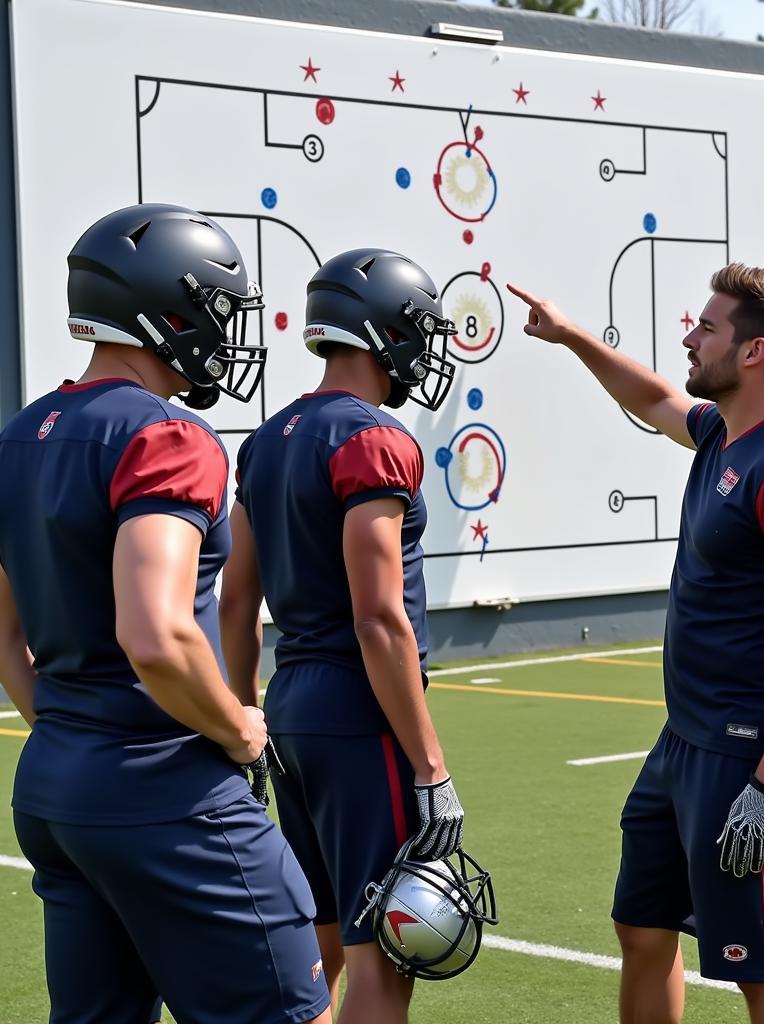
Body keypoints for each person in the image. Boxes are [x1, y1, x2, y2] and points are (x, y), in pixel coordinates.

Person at [0, 204, 332, 1024]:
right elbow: (155, 632)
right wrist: (236, 725)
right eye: (218, 309)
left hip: (54, 788)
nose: (226, 331)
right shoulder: (166, 436)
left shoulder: (19, 435)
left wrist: (69, 725)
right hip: (167, 791)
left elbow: (5, 635)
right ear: (168, 310)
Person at [508, 265, 764, 1024]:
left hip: (746, 755)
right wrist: (570, 337)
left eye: (707, 327)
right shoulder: (723, 435)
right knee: (641, 924)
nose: (690, 338)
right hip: (685, 741)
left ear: (755, 352)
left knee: (762, 968)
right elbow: (655, 396)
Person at [219, 247, 463, 1024]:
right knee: (386, 957)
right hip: (360, 713)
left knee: (320, 945)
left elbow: (235, 601)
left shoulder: (264, 440)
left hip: (289, 705)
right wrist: (430, 765)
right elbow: (378, 617)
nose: (424, 350)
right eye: (418, 331)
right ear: (385, 331)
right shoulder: (374, 440)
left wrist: (241, 718)